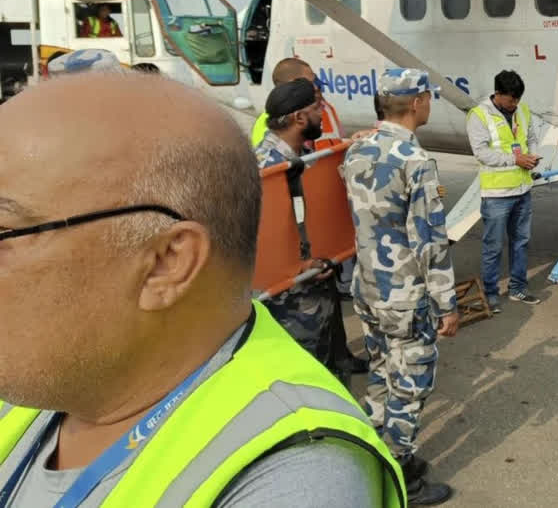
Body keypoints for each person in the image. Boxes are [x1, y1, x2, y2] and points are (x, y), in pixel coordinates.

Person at [0, 72, 405, 506]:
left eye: (5, 230)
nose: (319, 114)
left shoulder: (299, 477)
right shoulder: (50, 376)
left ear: (166, 263)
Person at [341, 67, 460, 506]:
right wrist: (447, 303)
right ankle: (401, 472)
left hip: (367, 287)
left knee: (379, 370)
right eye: (428, 97)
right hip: (404, 295)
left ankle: (374, 448)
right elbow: (429, 241)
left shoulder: (357, 151)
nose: (429, 104)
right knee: (410, 382)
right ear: (416, 104)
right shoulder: (416, 162)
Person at [252, 79, 340, 364]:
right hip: (290, 300)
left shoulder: (300, 156)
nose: (321, 114)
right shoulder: (266, 168)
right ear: (299, 118)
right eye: (316, 108)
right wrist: (300, 265)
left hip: (313, 282)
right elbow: (262, 239)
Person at [467, 70, 542, 311]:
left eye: (518, 99)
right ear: (498, 94)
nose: (515, 104)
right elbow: (481, 153)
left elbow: (531, 137)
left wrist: (532, 154)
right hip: (497, 195)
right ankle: (491, 294)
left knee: (521, 242)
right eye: (511, 99)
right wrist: (515, 160)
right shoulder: (479, 115)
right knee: (493, 246)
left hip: (522, 190)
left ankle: (518, 288)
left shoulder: (522, 109)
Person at [251, 57, 349, 149]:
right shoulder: (273, 126)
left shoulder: (324, 107)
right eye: (310, 84)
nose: (317, 87)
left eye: (316, 80)